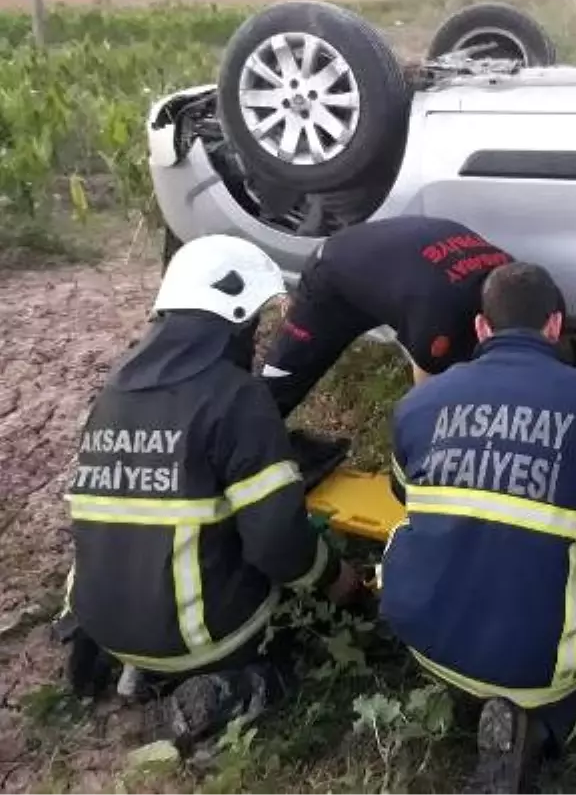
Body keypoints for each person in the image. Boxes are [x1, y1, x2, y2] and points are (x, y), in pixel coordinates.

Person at [58, 235, 363, 749]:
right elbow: (278, 547)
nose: (256, 337)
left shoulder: (113, 391)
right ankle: (231, 687)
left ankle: (139, 666)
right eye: (254, 325)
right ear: (236, 318)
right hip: (203, 636)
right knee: (298, 648)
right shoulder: (237, 398)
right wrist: (340, 581)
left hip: (99, 618)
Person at [379, 262, 576, 794]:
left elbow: (405, 497)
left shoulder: (417, 403)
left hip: (423, 640)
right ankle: (542, 731)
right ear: (554, 325)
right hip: (538, 670)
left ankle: (464, 698)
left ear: (480, 327)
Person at [260, 216, 514, 418]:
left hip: (404, 263)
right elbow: (428, 394)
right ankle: (236, 445)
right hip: (334, 272)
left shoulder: (526, 287)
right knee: (283, 377)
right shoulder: (440, 319)